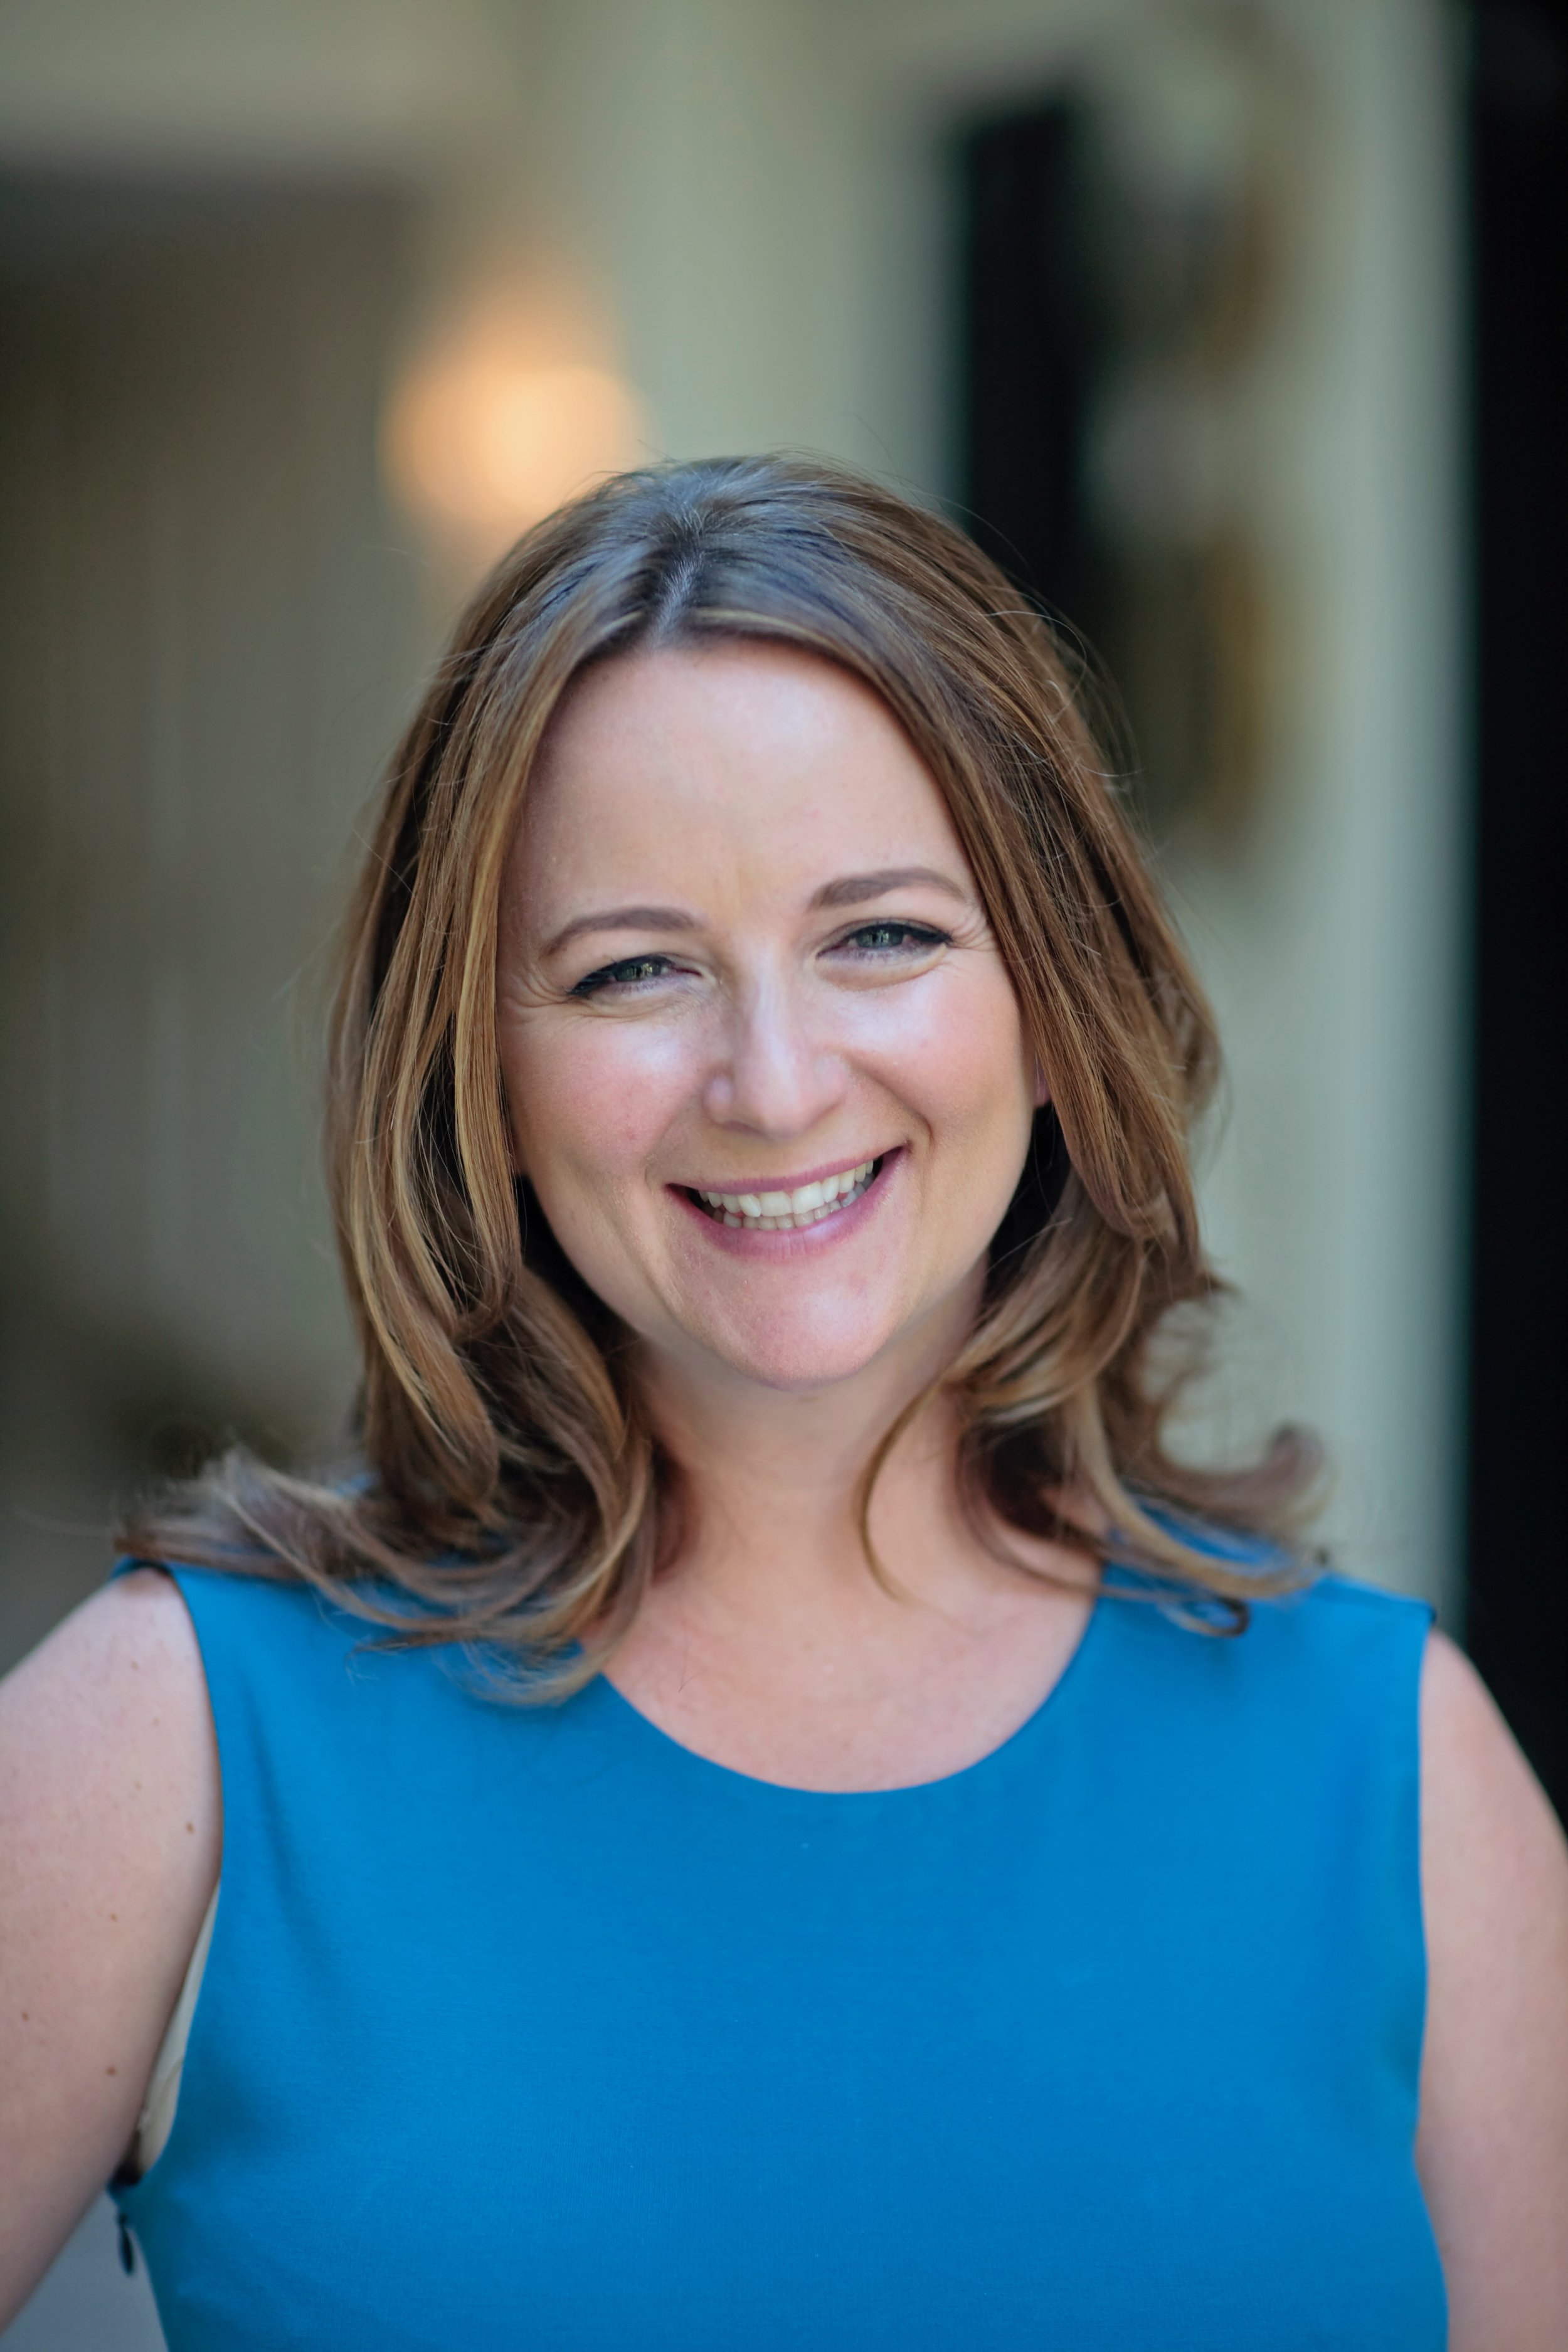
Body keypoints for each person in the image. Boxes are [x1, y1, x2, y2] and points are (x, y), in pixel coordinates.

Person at [1, 456, 1565, 2351]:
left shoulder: (1394, 1772)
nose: (770, 1079)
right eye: (634, 969)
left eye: (882, 935)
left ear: (1054, 1003)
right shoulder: (173, 1747)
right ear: (478, 1074)